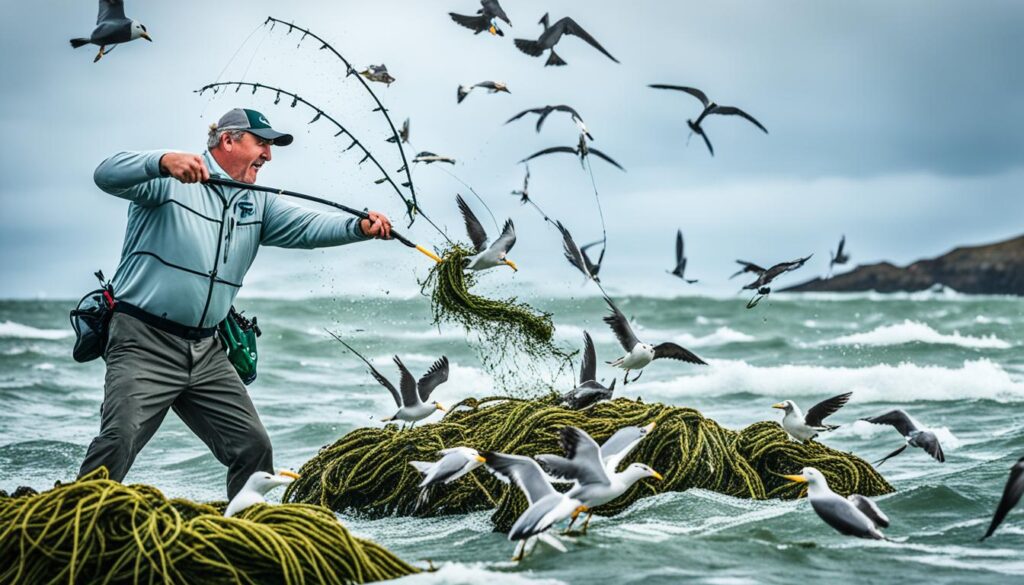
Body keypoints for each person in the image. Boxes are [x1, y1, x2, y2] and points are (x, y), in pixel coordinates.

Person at [78, 108, 392, 498]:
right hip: (144, 340)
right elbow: (105, 173)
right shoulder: (168, 181)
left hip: (207, 350)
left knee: (254, 447)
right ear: (228, 140)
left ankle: (246, 539)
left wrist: (358, 227)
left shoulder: (257, 203)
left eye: (270, 147)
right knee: (119, 439)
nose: (268, 155)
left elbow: (309, 227)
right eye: (261, 143)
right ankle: (72, 523)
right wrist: (161, 162)